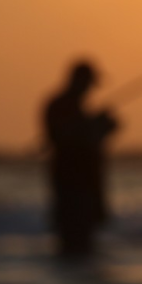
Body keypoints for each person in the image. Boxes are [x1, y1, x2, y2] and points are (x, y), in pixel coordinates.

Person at [44, 60, 119, 256]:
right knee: (74, 245)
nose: (89, 90)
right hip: (73, 187)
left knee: (83, 247)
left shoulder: (74, 110)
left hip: (86, 186)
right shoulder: (59, 106)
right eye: (88, 84)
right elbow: (67, 139)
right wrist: (96, 126)